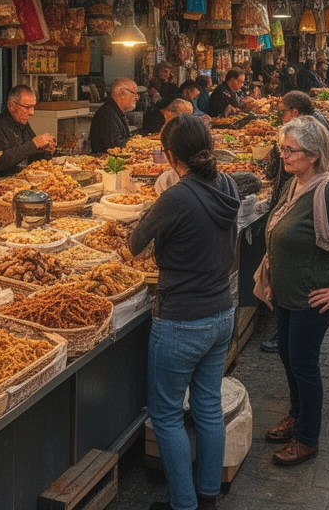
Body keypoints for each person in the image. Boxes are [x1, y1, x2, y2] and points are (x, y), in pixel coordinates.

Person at [129, 115, 240, 510]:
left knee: (167, 414)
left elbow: (134, 243)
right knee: (208, 405)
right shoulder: (225, 184)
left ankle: (183, 504)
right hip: (221, 312)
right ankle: (207, 496)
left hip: (181, 320)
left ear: (172, 155)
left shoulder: (177, 195)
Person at [258, 116, 329, 466]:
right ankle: (297, 414)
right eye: (282, 148)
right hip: (288, 293)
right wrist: (271, 278)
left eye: (290, 150)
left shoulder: (327, 190)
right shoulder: (295, 184)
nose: (283, 156)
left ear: (314, 155)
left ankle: (307, 438)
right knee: (288, 356)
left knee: (303, 363)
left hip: (311, 296)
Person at [0, 85, 57, 177]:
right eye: (27, 107)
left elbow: (30, 156)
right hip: (1, 184)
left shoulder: (22, 122)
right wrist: (33, 145)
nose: (32, 112)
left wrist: (45, 150)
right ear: (11, 106)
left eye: (33, 107)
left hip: (24, 180)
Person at [89, 77, 138, 155]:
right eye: (134, 93)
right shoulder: (108, 114)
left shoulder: (114, 111)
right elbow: (115, 148)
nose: (137, 98)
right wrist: (138, 145)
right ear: (123, 93)